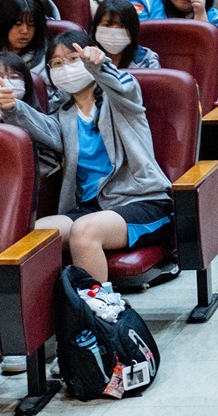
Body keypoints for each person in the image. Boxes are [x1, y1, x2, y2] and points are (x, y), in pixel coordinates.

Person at [0, 33, 171, 282]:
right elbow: (38, 126)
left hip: (141, 202)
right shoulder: (64, 117)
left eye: (73, 58)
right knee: (33, 234)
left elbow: (123, 85)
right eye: (57, 64)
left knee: (84, 232)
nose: (66, 68)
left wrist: (99, 65)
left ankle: (100, 315)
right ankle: (47, 313)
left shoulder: (122, 102)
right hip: (90, 209)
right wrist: (12, 108)